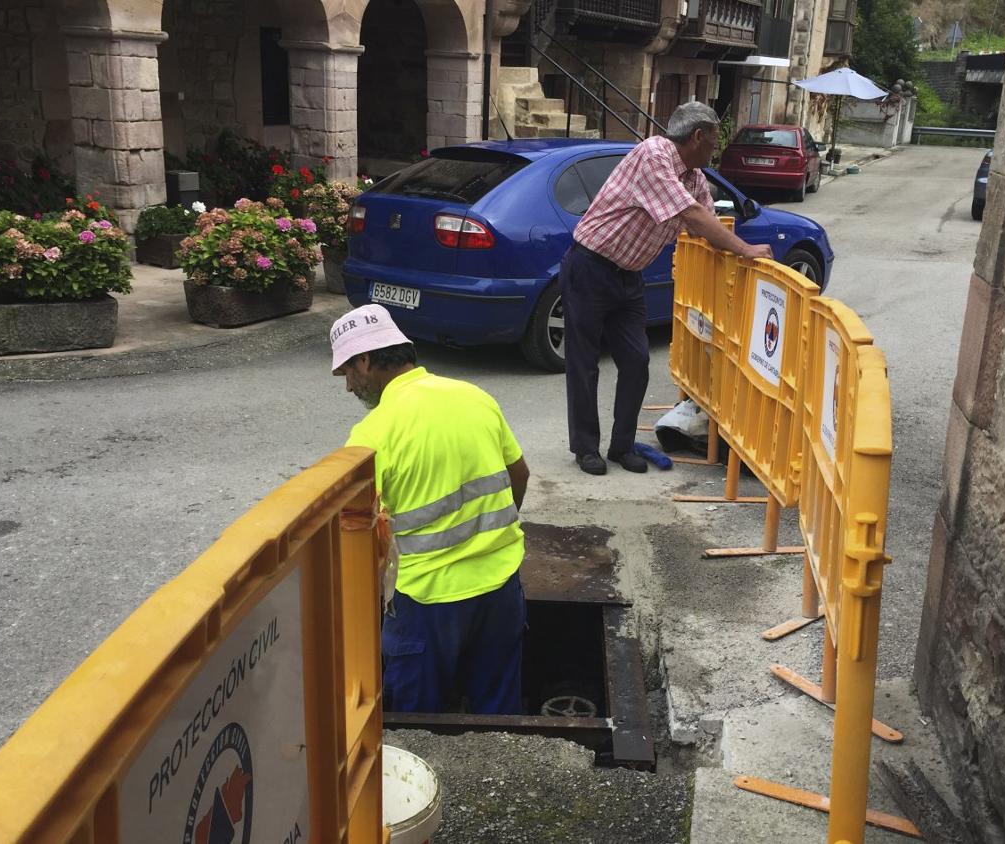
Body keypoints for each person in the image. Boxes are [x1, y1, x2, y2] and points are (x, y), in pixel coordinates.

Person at [330, 304, 530, 715]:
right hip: (501, 586)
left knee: (418, 726)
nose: (349, 387)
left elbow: (353, 535)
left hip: (427, 602)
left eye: (347, 372)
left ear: (366, 361)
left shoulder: (371, 433)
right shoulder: (474, 396)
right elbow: (520, 475)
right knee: (502, 719)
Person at [562, 101, 774, 476]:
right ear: (696, 137)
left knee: (637, 361)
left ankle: (622, 445)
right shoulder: (654, 154)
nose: (716, 151)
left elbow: (705, 222)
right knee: (584, 363)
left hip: (629, 275)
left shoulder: (693, 177)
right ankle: (585, 448)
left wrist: (736, 252)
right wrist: (745, 251)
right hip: (590, 266)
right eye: (713, 143)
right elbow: (690, 215)